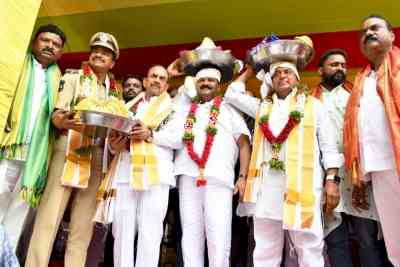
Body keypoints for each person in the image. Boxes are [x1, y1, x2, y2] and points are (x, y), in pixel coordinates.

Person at [225, 36, 341, 267]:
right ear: (270, 80)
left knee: (309, 246)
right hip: (266, 189)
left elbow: (329, 146)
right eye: (277, 73)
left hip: (302, 187)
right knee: (265, 249)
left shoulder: (313, 106)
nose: (282, 76)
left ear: (297, 79)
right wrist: (249, 70)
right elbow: (231, 94)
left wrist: (332, 180)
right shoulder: (261, 107)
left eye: (287, 72)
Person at [25, 32, 121, 267]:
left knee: (83, 224)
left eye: (106, 53)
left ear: (112, 62)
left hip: (98, 154)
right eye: (96, 50)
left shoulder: (115, 90)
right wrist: (62, 121)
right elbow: (57, 114)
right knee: (49, 217)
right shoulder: (74, 78)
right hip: (70, 148)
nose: (99, 54)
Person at [158, 37, 251, 267]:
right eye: (202, 81)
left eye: (211, 80)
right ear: (195, 84)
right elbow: (161, 112)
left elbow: (243, 144)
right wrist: (172, 75)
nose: (206, 84)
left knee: (218, 235)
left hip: (219, 179)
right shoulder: (184, 108)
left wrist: (243, 177)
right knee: (190, 235)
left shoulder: (228, 108)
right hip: (188, 178)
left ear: (218, 85)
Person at [96, 65, 175, 267]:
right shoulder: (128, 106)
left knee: (151, 231)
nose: (157, 80)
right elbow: (114, 138)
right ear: (146, 82)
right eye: (153, 76)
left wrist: (151, 135)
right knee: (121, 230)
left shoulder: (174, 108)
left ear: (166, 84)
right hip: (125, 172)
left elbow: (179, 139)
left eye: (162, 78)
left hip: (156, 175)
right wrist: (113, 147)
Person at [314, 49, 387, 267]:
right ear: (320, 70)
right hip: (327, 180)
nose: (340, 68)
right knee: (336, 239)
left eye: (343, 65)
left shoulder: (356, 96)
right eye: (334, 64)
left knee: (366, 239)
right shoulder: (309, 101)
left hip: (358, 177)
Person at [0, 24, 65, 249]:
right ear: (34, 42)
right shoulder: (15, 67)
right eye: (45, 40)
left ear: (61, 52)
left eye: (56, 44)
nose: (50, 46)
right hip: (8, 146)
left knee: (18, 213)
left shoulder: (60, 79)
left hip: (35, 156)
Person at [344, 14, 400, 267]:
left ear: (392, 35)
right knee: (395, 241)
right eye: (364, 31)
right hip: (378, 169)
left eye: (375, 28)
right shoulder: (361, 80)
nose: (368, 33)